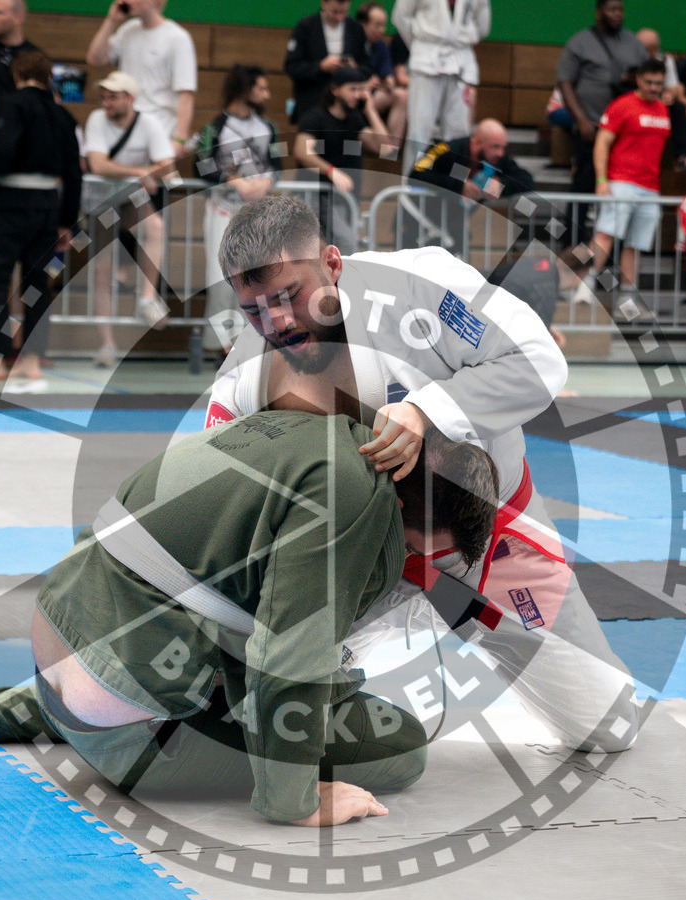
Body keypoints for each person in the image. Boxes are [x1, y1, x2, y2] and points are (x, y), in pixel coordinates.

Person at [0, 411, 500, 827]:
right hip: (128, 729)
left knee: (189, 644)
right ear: (408, 510)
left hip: (62, 633)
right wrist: (298, 801)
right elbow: (288, 658)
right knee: (402, 745)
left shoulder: (312, 432)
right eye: (421, 550)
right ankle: (273, 787)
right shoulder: (360, 502)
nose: (412, 566)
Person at [206, 193, 639, 755]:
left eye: (289, 295)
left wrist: (427, 410)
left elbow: (539, 360)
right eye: (255, 308)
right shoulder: (246, 371)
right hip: (359, 559)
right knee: (230, 698)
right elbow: (216, 488)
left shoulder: (420, 287)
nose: (278, 321)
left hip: (487, 535)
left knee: (606, 726)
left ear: (332, 263)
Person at [0, 50, 81, 386]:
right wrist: (67, 221)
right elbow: (74, 173)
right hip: (48, 207)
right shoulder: (64, 117)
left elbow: (1, 151)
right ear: (48, 77)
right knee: (38, 284)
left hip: (11, 204)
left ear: (17, 76)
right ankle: (32, 361)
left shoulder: (13, 105)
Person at [83, 71, 176, 367]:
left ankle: (147, 297)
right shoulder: (97, 120)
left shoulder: (148, 123)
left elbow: (167, 165)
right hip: (100, 199)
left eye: (113, 96)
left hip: (130, 196)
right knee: (102, 271)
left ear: (130, 99)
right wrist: (140, 172)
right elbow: (97, 164)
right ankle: (106, 344)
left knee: (155, 226)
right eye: (104, 96)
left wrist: (152, 171)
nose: (106, 102)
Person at [572, 58, 671, 321]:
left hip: (650, 187)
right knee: (605, 234)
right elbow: (602, 143)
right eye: (649, 82)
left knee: (635, 246)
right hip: (621, 181)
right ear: (638, 79)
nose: (653, 87)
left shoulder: (663, 109)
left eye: (658, 83)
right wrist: (602, 179)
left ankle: (627, 301)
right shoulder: (622, 105)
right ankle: (584, 285)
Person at [195, 64, 280, 357]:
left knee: (256, 276)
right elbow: (202, 165)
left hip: (256, 214)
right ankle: (219, 343)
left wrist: (267, 180)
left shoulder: (268, 128)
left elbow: (278, 163)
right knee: (220, 277)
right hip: (223, 209)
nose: (267, 94)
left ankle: (250, 344)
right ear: (245, 90)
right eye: (261, 88)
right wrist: (233, 180)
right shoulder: (216, 127)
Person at [556, 0, 647, 245]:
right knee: (583, 190)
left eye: (621, 9)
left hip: (625, 134)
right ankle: (571, 247)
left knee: (619, 195)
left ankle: (610, 256)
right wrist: (581, 120)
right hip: (592, 128)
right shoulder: (580, 41)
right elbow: (565, 82)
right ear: (599, 13)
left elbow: (648, 79)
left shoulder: (634, 44)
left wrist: (633, 81)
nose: (618, 14)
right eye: (612, 9)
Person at [294, 65, 392, 253]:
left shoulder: (354, 120)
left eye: (361, 89)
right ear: (335, 89)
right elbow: (301, 151)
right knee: (345, 247)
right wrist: (331, 171)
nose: (358, 95)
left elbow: (385, 148)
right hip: (319, 198)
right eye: (352, 89)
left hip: (346, 201)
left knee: (339, 251)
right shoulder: (315, 118)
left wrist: (370, 110)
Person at [86, 0, 197, 162]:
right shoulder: (127, 30)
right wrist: (111, 21)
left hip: (160, 127)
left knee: (152, 183)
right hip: (126, 122)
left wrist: (179, 138)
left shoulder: (177, 37)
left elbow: (186, 94)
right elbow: (95, 59)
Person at [406, 118, 535, 253]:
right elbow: (415, 175)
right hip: (417, 221)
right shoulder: (447, 149)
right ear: (477, 142)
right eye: (495, 146)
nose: (500, 153)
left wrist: (502, 185)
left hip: (452, 227)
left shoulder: (497, 159)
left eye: (503, 147)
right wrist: (459, 186)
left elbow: (527, 180)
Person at [392, 0, 491, 176]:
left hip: (461, 62)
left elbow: (483, 27)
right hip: (425, 62)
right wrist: (421, 45)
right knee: (419, 133)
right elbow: (400, 17)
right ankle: (410, 193)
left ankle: (452, 191)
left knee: (459, 135)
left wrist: (458, 37)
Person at [284, 0, 373, 126]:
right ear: (324, 3)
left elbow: (368, 67)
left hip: (347, 109)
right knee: (314, 144)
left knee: (350, 144)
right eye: (335, 12)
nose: (339, 17)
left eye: (343, 12)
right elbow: (291, 66)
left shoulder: (355, 28)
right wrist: (320, 67)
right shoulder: (306, 26)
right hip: (313, 102)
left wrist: (354, 70)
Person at [636, 26, 686, 169]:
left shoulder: (665, 60)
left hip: (657, 101)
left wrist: (669, 95)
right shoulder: (630, 59)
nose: (651, 53)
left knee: (679, 108)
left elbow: (673, 87)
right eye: (646, 48)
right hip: (635, 101)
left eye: (654, 48)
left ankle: (681, 156)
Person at [356, 1, 408, 146]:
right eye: (377, 25)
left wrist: (388, 83)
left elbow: (388, 74)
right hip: (354, 97)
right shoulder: (351, 42)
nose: (382, 29)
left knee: (402, 95)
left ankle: (392, 146)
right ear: (363, 24)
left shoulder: (380, 45)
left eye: (384, 25)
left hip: (373, 96)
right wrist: (366, 84)